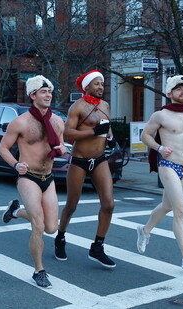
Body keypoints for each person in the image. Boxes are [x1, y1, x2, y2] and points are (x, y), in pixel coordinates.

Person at [0, 75, 66, 288]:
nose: (48, 95)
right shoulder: (20, 122)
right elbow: (3, 148)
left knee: (51, 228)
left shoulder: (56, 121)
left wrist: (62, 149)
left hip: (48, 177)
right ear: (33, 95)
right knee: (38, 225)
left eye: (50, 91)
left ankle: (15, 212)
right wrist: (16, 165)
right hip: (28, 177)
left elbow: (61, 145)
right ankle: (39, 270)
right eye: (43, 92)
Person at [135, 75, 183, 271]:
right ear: (170, 93)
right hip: (167, 164)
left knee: (167, 205)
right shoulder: (161, 115)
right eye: (178, 89)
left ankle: (145, 230)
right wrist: (158, 148)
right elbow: (145, 135)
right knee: (180, 210)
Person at [55, 70, 117, 268]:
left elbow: (106, 126)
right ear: (87, 87)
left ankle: (97, 247)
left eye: (102, 84)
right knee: (72, 205)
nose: (101, 87)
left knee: (109, 204)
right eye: (97, 84)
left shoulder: (105, 105)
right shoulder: (78, 106)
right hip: (79, 160)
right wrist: (92, 131)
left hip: (99, 159)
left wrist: (110, 137)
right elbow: (66, 134)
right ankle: (60, 237)